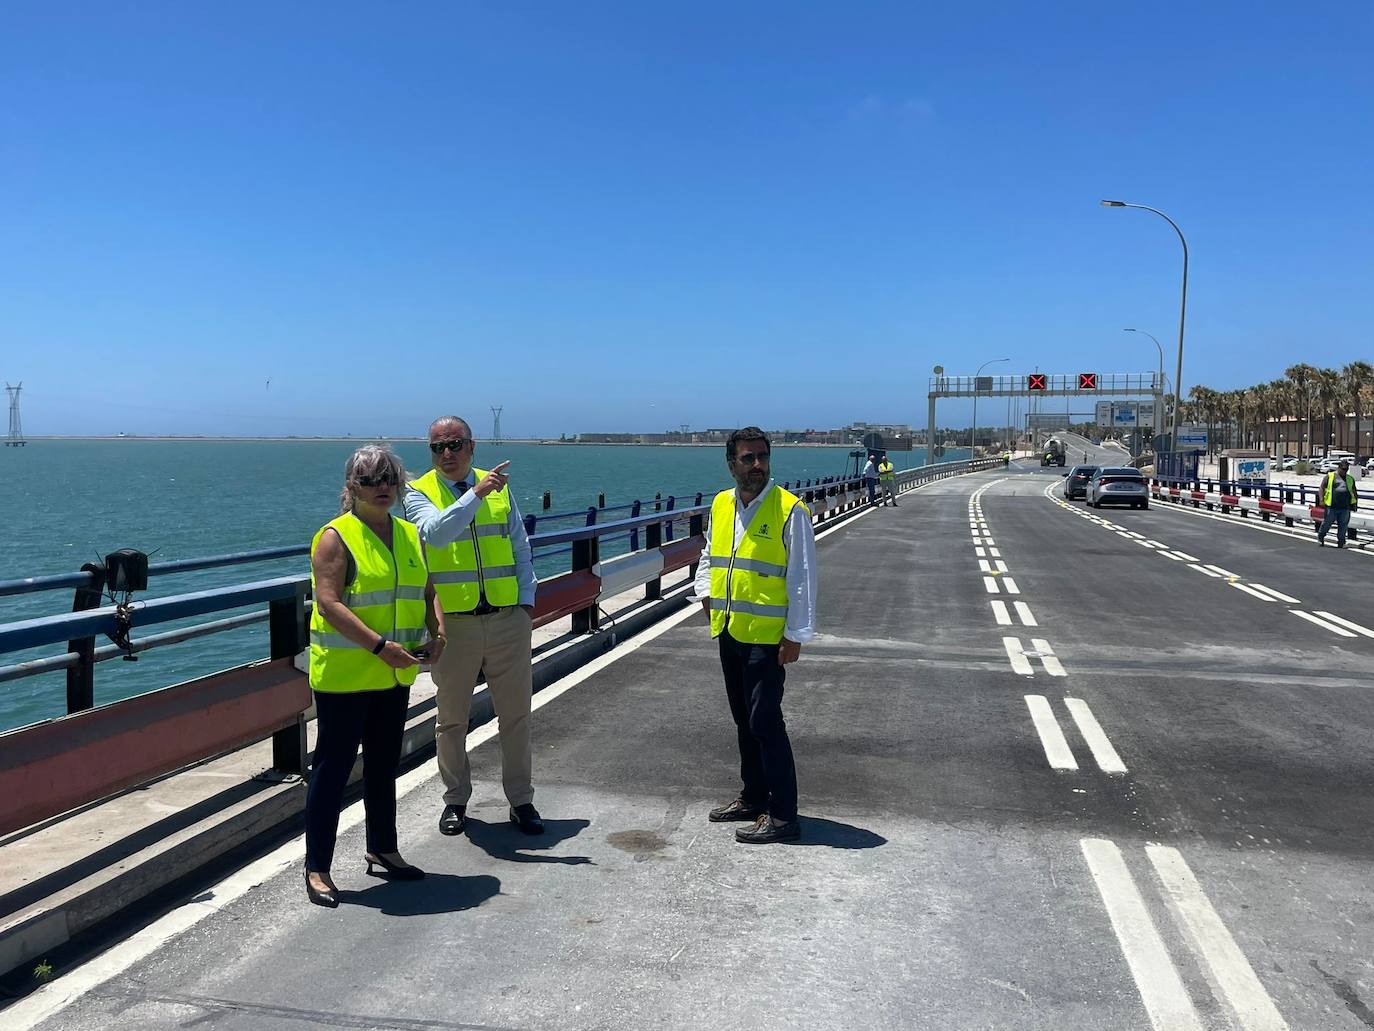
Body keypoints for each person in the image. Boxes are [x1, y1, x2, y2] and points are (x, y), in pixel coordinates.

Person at [305, 444, 446, 908]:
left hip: (394, 676)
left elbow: (427, 589)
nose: (383, 488)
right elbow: (329, 602)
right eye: (370, 481)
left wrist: (438, 629)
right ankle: (317, 868)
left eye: (390, 480)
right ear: (352, 488)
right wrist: (380, 647)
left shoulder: (408, 534)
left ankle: (382, 848)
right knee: (332, 770)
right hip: (347, 676)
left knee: (385, 766)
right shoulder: (335, 536)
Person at [404, 416, 544, 836]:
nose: (447, 454)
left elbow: (519, 544)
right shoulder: (418, 492)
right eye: (438, 447)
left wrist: (526, 602)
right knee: (451, 719)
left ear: (472, 445)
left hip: (506, 618)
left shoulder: (499, 487)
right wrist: (476, 496)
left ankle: (521, 800)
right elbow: (435, 534)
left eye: (455, 444)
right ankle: (455, 800)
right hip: (455, 626)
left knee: (516, 715)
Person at [693, 427, 817, 844]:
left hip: (767, 636)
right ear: (732, 464)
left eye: (762, 456)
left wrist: (796, 634)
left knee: (765, 721)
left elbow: (801, 578)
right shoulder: (722, 504)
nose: (757, 465)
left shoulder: (789, 509)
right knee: (743, 721)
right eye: (748, 458)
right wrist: (705, 592)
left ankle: (783, 816)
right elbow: (710, 554)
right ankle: (752, 796)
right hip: (729, 628)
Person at [1317, 460, 1359, 548]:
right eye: (1343, 469)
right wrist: (1321, 500)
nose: (1345, 471)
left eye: (1346, 469)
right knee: (1327, 524)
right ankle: (1321, 537)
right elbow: (1321, 488)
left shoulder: (1350, 478)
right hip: (1332, 506)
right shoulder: (1330, 476)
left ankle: (1341, 542)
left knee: (1343, 526)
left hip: (1345, 506)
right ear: (1339, 468)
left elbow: (1354, 491)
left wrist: (1355, 504)